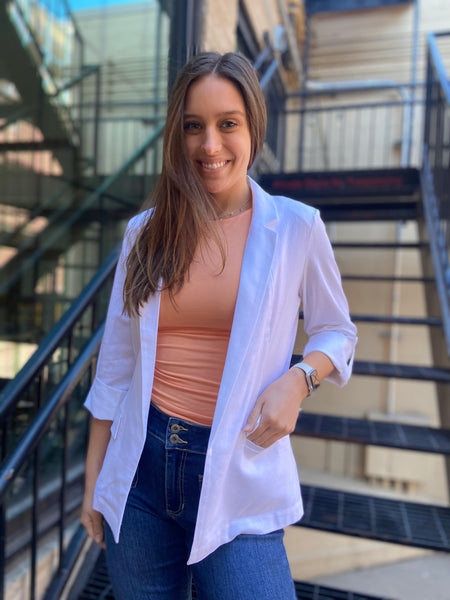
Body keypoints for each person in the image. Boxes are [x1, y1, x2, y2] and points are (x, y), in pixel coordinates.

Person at [81, 51, 357, 600]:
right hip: (139, 469)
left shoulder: (297, 228)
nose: (209, 145)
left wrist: (299, 379)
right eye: (193, 127)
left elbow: (337, 332)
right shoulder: (146, 233)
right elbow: (115, 367)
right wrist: (95, 480)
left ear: (253, 126)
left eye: (227, 124)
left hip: (237, 467)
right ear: (176, 136)